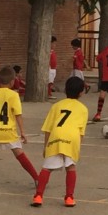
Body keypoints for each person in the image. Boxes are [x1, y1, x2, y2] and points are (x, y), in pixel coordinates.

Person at [33, 75, 88, 207]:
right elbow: (81, 132)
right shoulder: (83, 109)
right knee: (71, 167)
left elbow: (48, 129)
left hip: (56, 135)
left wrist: (46, 147)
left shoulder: (56, 106)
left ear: (65, 90)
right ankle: (69, 198)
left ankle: (38, 196)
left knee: (47, 168)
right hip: (72, 137)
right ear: (81, 92)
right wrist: (77, 149)